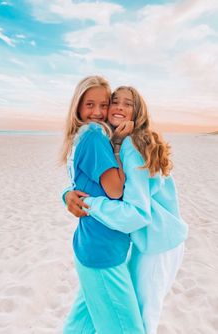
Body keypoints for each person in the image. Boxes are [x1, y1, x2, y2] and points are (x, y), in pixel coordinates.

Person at [63, 85, 189, 334]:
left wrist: (90, 204)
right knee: (92, 316)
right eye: (115, 101)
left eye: (127, 104)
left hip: (157, 242)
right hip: (144, 240)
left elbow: (136, 214)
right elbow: (86, 180)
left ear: (138, 112)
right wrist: (67, 194)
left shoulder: (132, 145)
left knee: (143, 315)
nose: (117, 107)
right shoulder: (115, 142)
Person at [61, 76, 145, 333]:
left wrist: (66, 195)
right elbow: (115, 188)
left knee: (80, 327)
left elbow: (79, 184)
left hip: (90, 246)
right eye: (89, 105)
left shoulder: (82, 138)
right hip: (102, 252)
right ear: (78, 106)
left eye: (103, 104)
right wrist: (118, 145)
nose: (98, 112)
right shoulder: (97, 137)